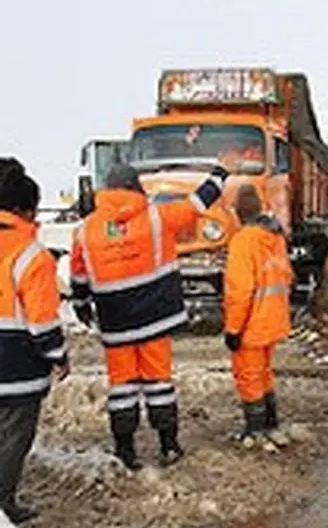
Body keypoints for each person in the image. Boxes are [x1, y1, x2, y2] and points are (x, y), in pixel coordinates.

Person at [69, 163, 228, 470]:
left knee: (122, 387)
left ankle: (125, 450)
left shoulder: (85, 230)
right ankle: (168, 445)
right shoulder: (157, 217)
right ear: (135, 187)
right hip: (156, 320)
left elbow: (78, 274)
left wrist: (82, 304)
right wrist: (221, 173)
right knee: (159, 382)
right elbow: (199, 203)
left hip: (116, 325)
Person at [0, 158, 70, 524]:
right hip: (15, 369)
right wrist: (59, 356)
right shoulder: (31, 256)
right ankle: (2, 505)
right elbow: (43, 323)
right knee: (13, 436)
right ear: (26, 211)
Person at [223, 184, 293, 451]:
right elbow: (285, 277)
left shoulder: (243, 241)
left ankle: (256, 429)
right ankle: (271, 423)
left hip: (251, 322)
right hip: (273, 318)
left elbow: (240, 292)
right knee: (263, 373)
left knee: (249, 375)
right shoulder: (274, 238)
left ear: (238, 212)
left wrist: (232, 329)